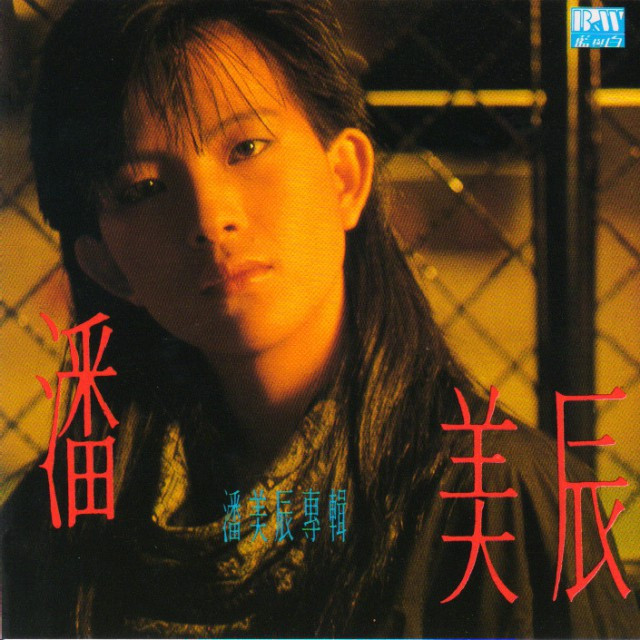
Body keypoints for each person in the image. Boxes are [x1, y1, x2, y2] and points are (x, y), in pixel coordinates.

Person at [2, 0, 639, 637]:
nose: (211, 218)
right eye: (145, 187)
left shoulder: (497, 504)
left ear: (345, 177)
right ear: (107, 266)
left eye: (246, 147)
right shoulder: (56, 529)